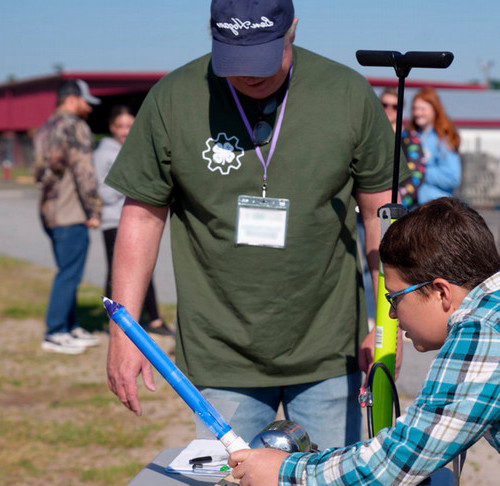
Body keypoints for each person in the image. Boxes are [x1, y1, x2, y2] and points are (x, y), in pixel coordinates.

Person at [105, 0, 410, 449]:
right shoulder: (174, 98)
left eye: (264, 57)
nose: (250, 74)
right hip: (222, 352)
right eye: (236, 59)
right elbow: (142, 217)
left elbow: (379, 213)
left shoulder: (346, 94)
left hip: (328, 350)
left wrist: (389, 320)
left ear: (293, 31)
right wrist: (124, 331)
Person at [228, 197, 500, 486]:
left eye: (394, 298)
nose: (393, 314)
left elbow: (400, 461)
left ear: (441, 292)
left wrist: (284, 473)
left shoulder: (483, 331)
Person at [33, 79, 102, 355]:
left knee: (67, 268)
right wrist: (93, 209)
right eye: (86, 102)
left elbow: (40, 174)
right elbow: (84, 171)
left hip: (49, 210)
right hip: (70, 211)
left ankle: (70, 326)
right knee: (69, 273)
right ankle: (55, 331)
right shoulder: (75, 126)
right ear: (72, 99)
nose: (89, 108)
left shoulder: (46, 127)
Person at [93, 105, 174, 338]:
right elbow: (105, 193)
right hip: (113, 221)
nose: (125, 131)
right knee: (117, 272)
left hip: (135, 218)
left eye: (129, 126)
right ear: (111, 128)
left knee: (144, 269)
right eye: (120, 126)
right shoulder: (103, 154)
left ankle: (153, 319)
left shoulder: (133, 149)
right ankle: (117, 323)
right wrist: (130, 183)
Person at [408, 86, 461, 205]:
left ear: (434, 109)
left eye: (423, 109)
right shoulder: (411, 136)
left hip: (436, 208)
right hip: (414, 209)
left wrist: (420, 171)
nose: (418, 113)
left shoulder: (443, 139)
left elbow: (453, 178)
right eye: (415, 108)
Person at [379, 87, 425, 210]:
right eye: (384, 105)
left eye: (395, 106)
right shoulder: (370, 136)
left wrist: (395, 201)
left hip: (401, 209)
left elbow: (416, 177)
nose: (389, 109)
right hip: (368, 209)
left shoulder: (410, 140)